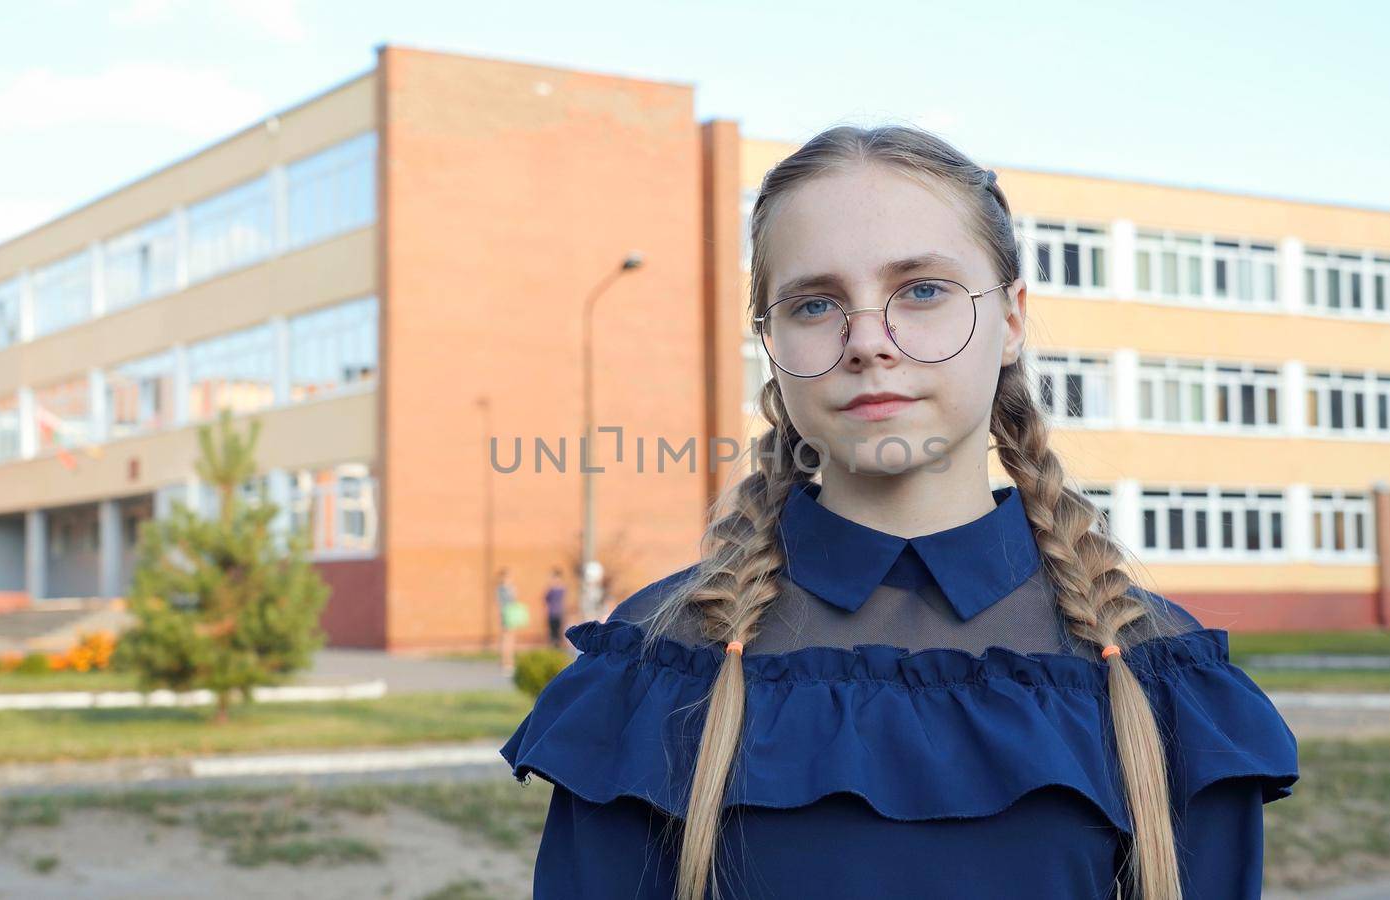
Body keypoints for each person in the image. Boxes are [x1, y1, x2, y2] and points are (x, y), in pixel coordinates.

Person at [500, 125, 1299, 899]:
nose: (868, 342)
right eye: (815, 304)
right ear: (770, 341)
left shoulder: (1161, 677)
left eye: (921, 291)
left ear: (1012, 317)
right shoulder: (654, 669)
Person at [495, 567, 527, 676]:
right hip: (507, 615)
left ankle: (509, 662)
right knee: (507, 640)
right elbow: (503, 603)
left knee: (510, 639)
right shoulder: (503, 589)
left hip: (510, 615)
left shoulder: (507, 588)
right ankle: (506, 662)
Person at [543, 567, 568, 648]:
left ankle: (559, 648)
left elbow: (565, 600)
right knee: (552, 632)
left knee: (559, 632)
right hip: (552, 613)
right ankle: (553, 648)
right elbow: (546, 600)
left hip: (559, 613)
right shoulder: (551, 589)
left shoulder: (562, 589)